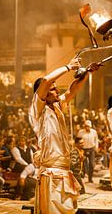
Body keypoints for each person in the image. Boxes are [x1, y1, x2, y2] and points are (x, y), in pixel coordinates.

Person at [29, 58, 99, 214]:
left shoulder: (57, 106)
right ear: (43, 93)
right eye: (53, 89)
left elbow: (71, 90)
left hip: (64, 170)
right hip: (51, 172)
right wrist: (68, 67)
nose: (57, 91)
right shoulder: (38, 109)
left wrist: (87, 72)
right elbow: (47, 80)